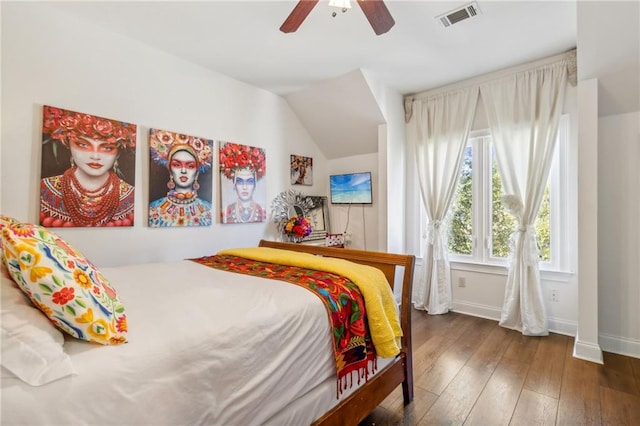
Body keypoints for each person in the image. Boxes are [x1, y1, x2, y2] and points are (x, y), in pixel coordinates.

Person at [40, 106, 136, 227]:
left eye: (107, 148)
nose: (95, 156)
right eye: (83, 144)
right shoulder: (43, 190)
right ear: (67, 143)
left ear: (118, 153)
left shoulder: (132, 197)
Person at [148, 142, 212, 227]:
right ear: (170, 170)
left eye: (190, 166)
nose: (183, 171)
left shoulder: (209, 210)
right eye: (177, 165)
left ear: (196, 172)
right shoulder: (154, 210)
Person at [220, 142, 267, 224]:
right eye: (240, 181)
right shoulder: (226, 211)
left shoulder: (262, 211)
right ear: (234, 184)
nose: (244, 187)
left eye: (249, 182)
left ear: (255, 184)